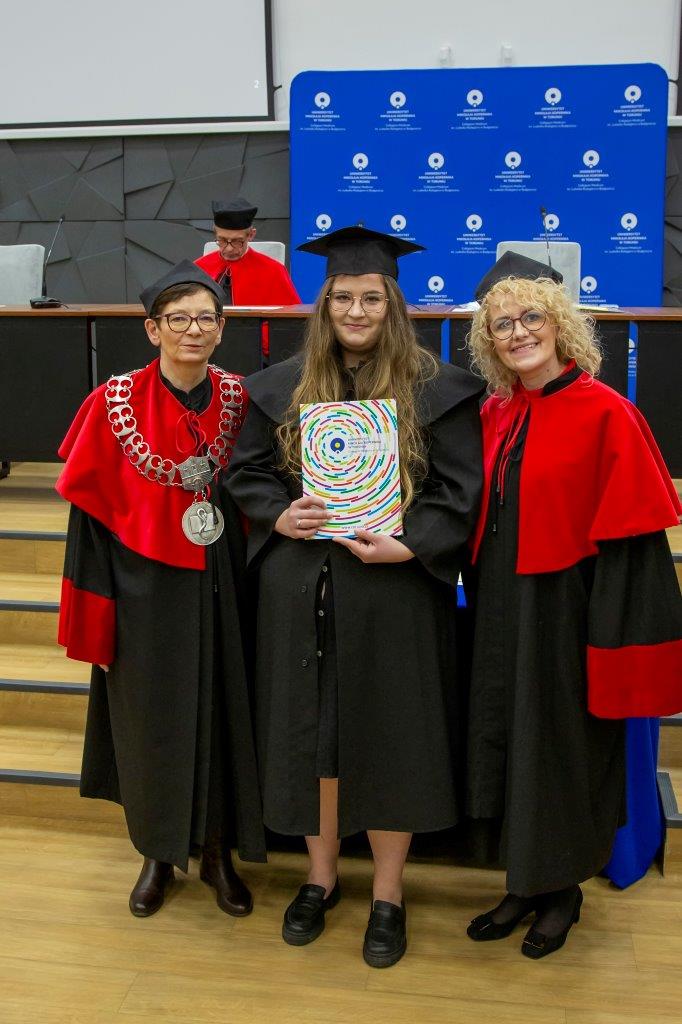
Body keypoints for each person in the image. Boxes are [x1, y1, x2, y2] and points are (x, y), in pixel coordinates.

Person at [226, 225, 484, 967]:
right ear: (325, 303)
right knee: (312, 736)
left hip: (394, 593)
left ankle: (389, 893)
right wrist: (282, 513)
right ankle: (321, 876)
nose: (357, 311)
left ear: (393, 304)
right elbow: (247, 472)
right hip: (301, 588)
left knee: (393, 736)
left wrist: (412, 542)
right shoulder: (280, 385)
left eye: (371, 298)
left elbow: (458, 491)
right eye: (343, 297)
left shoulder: (438, 389)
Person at [465, 251, 682, 959]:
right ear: (489, 340)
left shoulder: (607, 412)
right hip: (501, 602)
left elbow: (633, 545)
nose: (519, 332)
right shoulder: (496, 412)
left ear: (560, 325)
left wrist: (609, 632)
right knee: (507, 737)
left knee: (561, 746)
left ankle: (562, 892)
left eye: (532, 317)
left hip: (569, 607)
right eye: (502, 324)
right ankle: (522, 882)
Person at [56, 260, 266, 919]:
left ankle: (217, 853)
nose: (193, 330)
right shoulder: (112, 403)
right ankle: (155, 853)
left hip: (224, 587)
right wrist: (93, 619)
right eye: (178, 319)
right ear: (153, 329)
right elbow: (89, 526)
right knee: (148, 723)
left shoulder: (244, 400)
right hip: (141, 592)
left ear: (222, 329)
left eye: (206, 318)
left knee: (224, 715)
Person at [195, 196, 301, 306]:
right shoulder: (198, 269)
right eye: (222, 240)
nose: (229, 249)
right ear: (215, 234)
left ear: (251, 235)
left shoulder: (274, 272)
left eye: (237, 241)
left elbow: (291, 314)